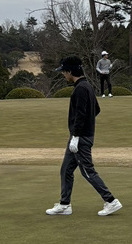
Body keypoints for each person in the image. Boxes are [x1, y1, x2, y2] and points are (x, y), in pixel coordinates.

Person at [46, 55, 122, 217]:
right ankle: (65, 204)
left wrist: (77, 136)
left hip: (80, 138)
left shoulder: (80, 88)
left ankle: (111, 201)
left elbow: (81, 115)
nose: (63, 74)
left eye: (63, 72)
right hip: (79, 136)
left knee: (88, 171)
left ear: (69, 71)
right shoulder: (86, 86)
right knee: (66, 170)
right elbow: (96, 110)